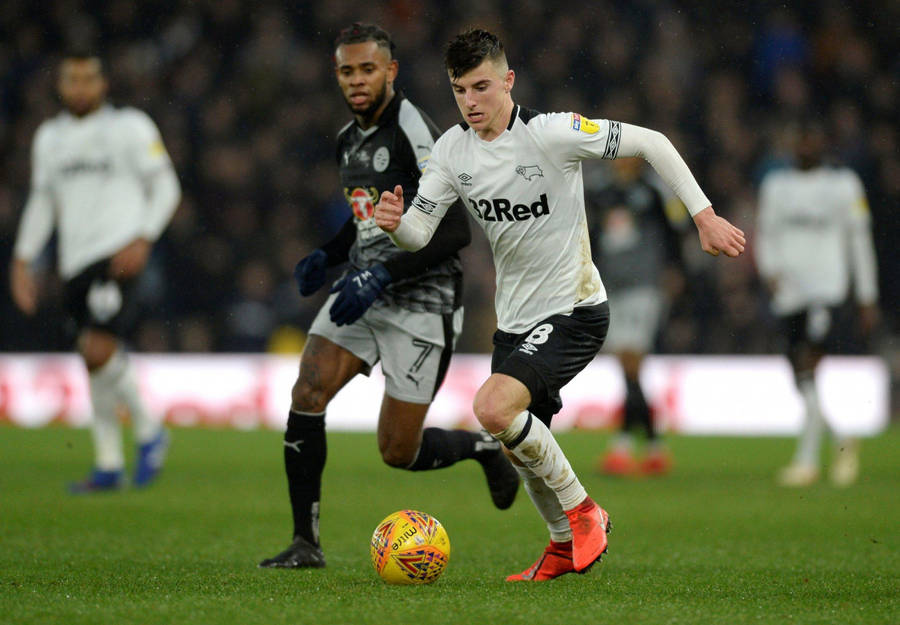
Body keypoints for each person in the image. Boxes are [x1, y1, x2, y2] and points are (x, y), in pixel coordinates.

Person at [375, 28, 745, 582]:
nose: (471, 102)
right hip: (516, 322)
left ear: (509, 81)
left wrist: (703, 215)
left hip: (574, 309)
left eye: (481, 87)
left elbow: (652, 142)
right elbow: (420, 231)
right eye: (459, 91)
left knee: (494, 408)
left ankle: (585, 512)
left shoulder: (552, 134)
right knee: (519, 446)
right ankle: (557, 547)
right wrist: (395, 225)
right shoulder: (452, 150)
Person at [258, 23, 519, 570]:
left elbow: (453, 232)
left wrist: (381, 276)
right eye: (347, 71)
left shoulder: (413, 131)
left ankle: (482, 448)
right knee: (307, 389)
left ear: (390, 72)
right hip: (362, 290)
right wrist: (328, 256)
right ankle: (305, 542)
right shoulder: (346, 140)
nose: (357, 81)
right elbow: (365, 223)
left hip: (424, 302)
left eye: (368, 69)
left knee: (397, 451)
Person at [9, 51, 181, 492]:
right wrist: (23, 258)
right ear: (61, 86)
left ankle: (149, 430)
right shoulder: (49, 137)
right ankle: (107, 464)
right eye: (72, 79)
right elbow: (43, 201)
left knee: (97, 349)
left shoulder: (130, 127)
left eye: (89, 78)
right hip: (73, 263)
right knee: (91, 357)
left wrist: (143, 237)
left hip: (118, 255)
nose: (81, 87)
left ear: (103, 83)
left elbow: (166, 186)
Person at [756, 119, 879, 487]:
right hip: (788, 293)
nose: (806, 146)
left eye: (812, 139)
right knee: (800, 376)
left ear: (823, 144)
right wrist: (770, 271)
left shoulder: (844, 185)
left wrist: (867, 295)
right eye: (801, 139)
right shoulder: (776, 185)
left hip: (827, 291)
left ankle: (807, 461)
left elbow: (860, 241)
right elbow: (765, 233)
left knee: (807, 368)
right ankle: (841, 438)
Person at [586, 158, 688, 476]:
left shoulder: (653, 192)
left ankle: (623, 447)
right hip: (610, 287)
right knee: (629, 369)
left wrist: (675, 271)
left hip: (644, 285)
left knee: (631, 363)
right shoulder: (600, 192)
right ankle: (656, 447)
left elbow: (675, 234)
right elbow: (590, 234)